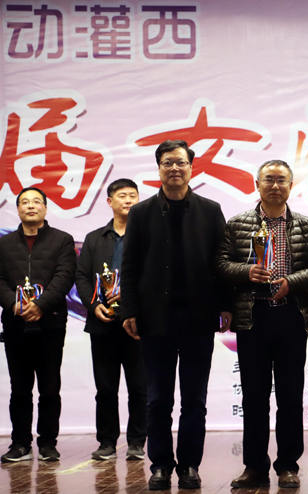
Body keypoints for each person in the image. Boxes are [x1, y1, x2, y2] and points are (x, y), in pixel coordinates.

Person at [120, 140, 232, 490]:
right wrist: (129, 309)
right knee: (158, 400)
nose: (174, 168)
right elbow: (130, 266)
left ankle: (189, 466)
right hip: (156, 319)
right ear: (159, 168)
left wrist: (225, 305)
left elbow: (222, 262)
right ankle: (160, 465)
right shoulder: (141, 213)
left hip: (198, 318)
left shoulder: (210, 210)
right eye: (167, 162)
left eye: (180, 162)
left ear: (191, 168)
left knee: (195, 400)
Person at [217, 160, 308, 489]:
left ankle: (288, 465)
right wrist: (246, 272)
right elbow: (221, 264)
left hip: (291, 316)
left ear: (291, 186)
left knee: (290, 396)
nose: (275, 185)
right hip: (252, 318)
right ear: (257, 184)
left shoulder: (307, 226)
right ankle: (254, 466)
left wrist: (291, 282)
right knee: (253, 397)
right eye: (269, 180)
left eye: (282, 180)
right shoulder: (237, 225)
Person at [0, 187, 76, 463]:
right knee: (19, 387)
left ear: (45, 207)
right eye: (25, 202)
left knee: (49, 387)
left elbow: (65, 276)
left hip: (50, 324)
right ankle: (20, 444)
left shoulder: (62, 240)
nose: (30, 206)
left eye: (36, 202)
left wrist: (40, 305)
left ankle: (47, 444)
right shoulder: (4, 244)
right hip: (15, 324)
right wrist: (14, 304)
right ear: (18, 209)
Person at [76, 179, 147, 462]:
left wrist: (133, 302)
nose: (128, 200)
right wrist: (93, 306)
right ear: (110, 202)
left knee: (139, 388)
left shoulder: (147, 236)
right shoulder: (94, 238)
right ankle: (106, 442)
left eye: (133, 196)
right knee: (105, 388)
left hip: (138, 323)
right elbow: (82, 277)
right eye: (122, 196)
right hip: (102, 323)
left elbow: (155, 276)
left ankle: (137, 442)